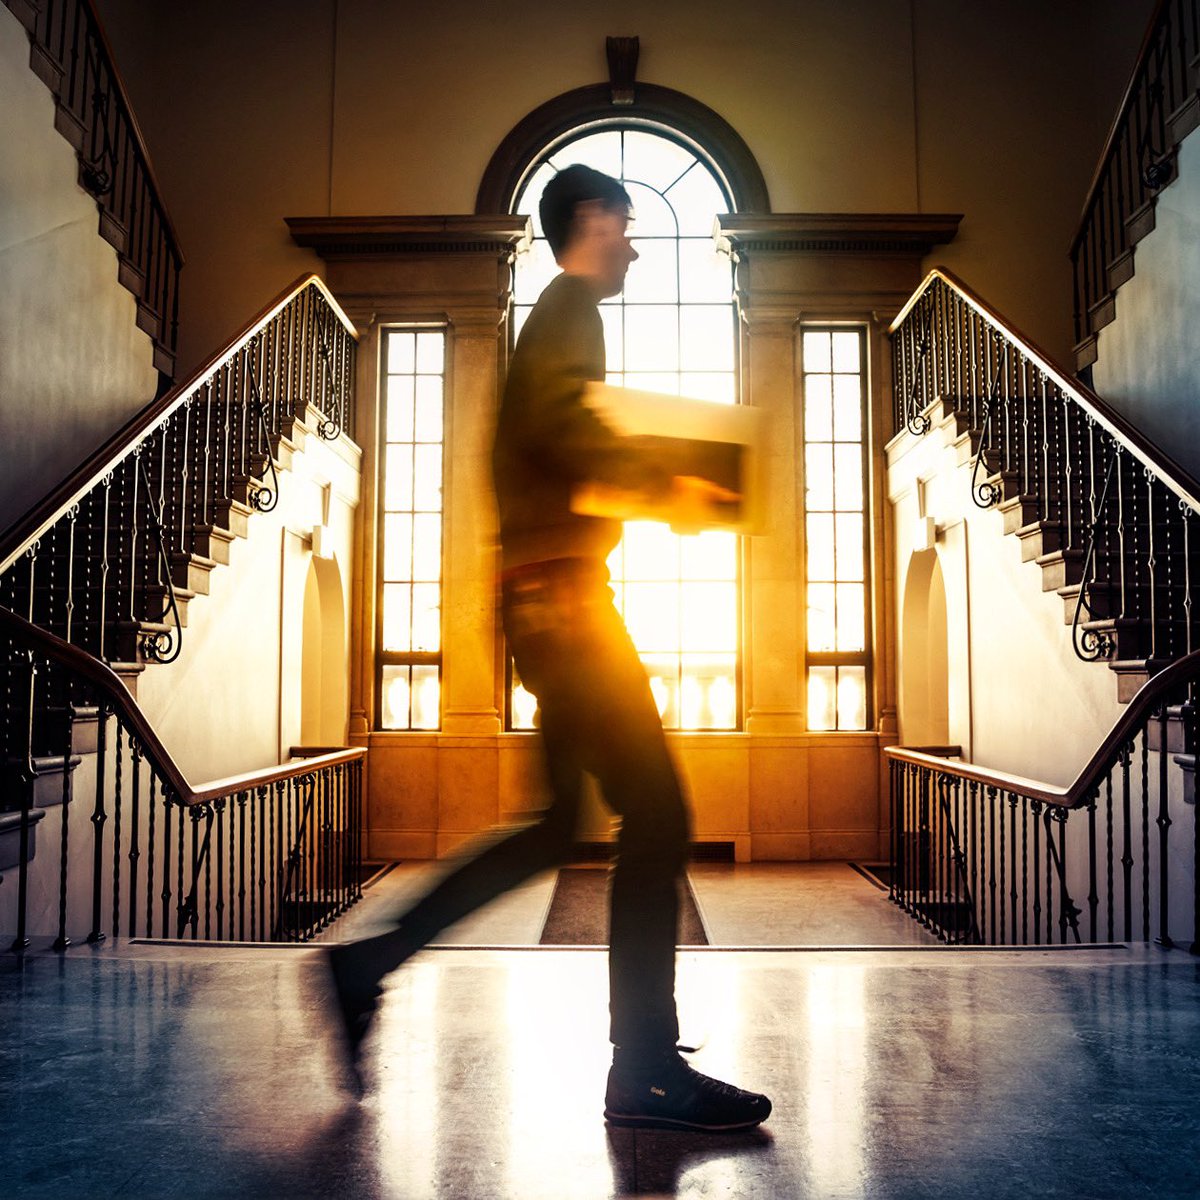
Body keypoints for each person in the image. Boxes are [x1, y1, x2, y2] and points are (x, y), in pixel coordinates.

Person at [327, 164, 771, 1133]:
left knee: (550, 825)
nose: (635, 244)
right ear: (590, 219)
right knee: (658, 814)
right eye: (625, 221)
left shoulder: (557, 317)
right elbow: (562, 430)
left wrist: (655, 481)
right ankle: (646, 1067)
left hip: (547, 601)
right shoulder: (571, 307)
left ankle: (368, 962)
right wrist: (686, 476)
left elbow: (544, 443)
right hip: (568, 604)